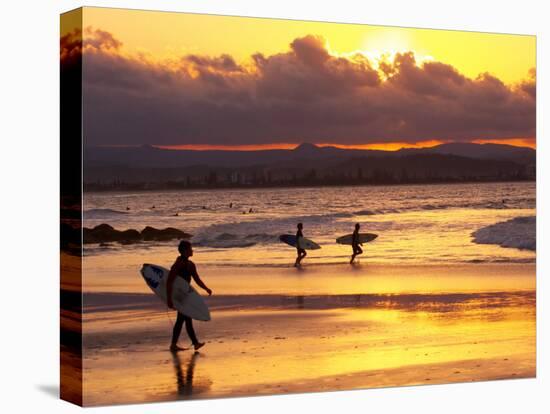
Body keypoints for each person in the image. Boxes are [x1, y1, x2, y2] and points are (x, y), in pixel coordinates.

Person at [167, 240, 212, 352]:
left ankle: (181, 344)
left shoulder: (191, 265)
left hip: (186, 295)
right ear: (184, 251)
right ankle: (193, 343)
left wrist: (205, 288)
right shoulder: (177, 265)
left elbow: (197, 279)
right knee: (185, 319)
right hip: (179, 296)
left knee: (183, 320)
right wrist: (169, 299)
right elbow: (169, 282)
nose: (192, 250)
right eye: (190, 248)